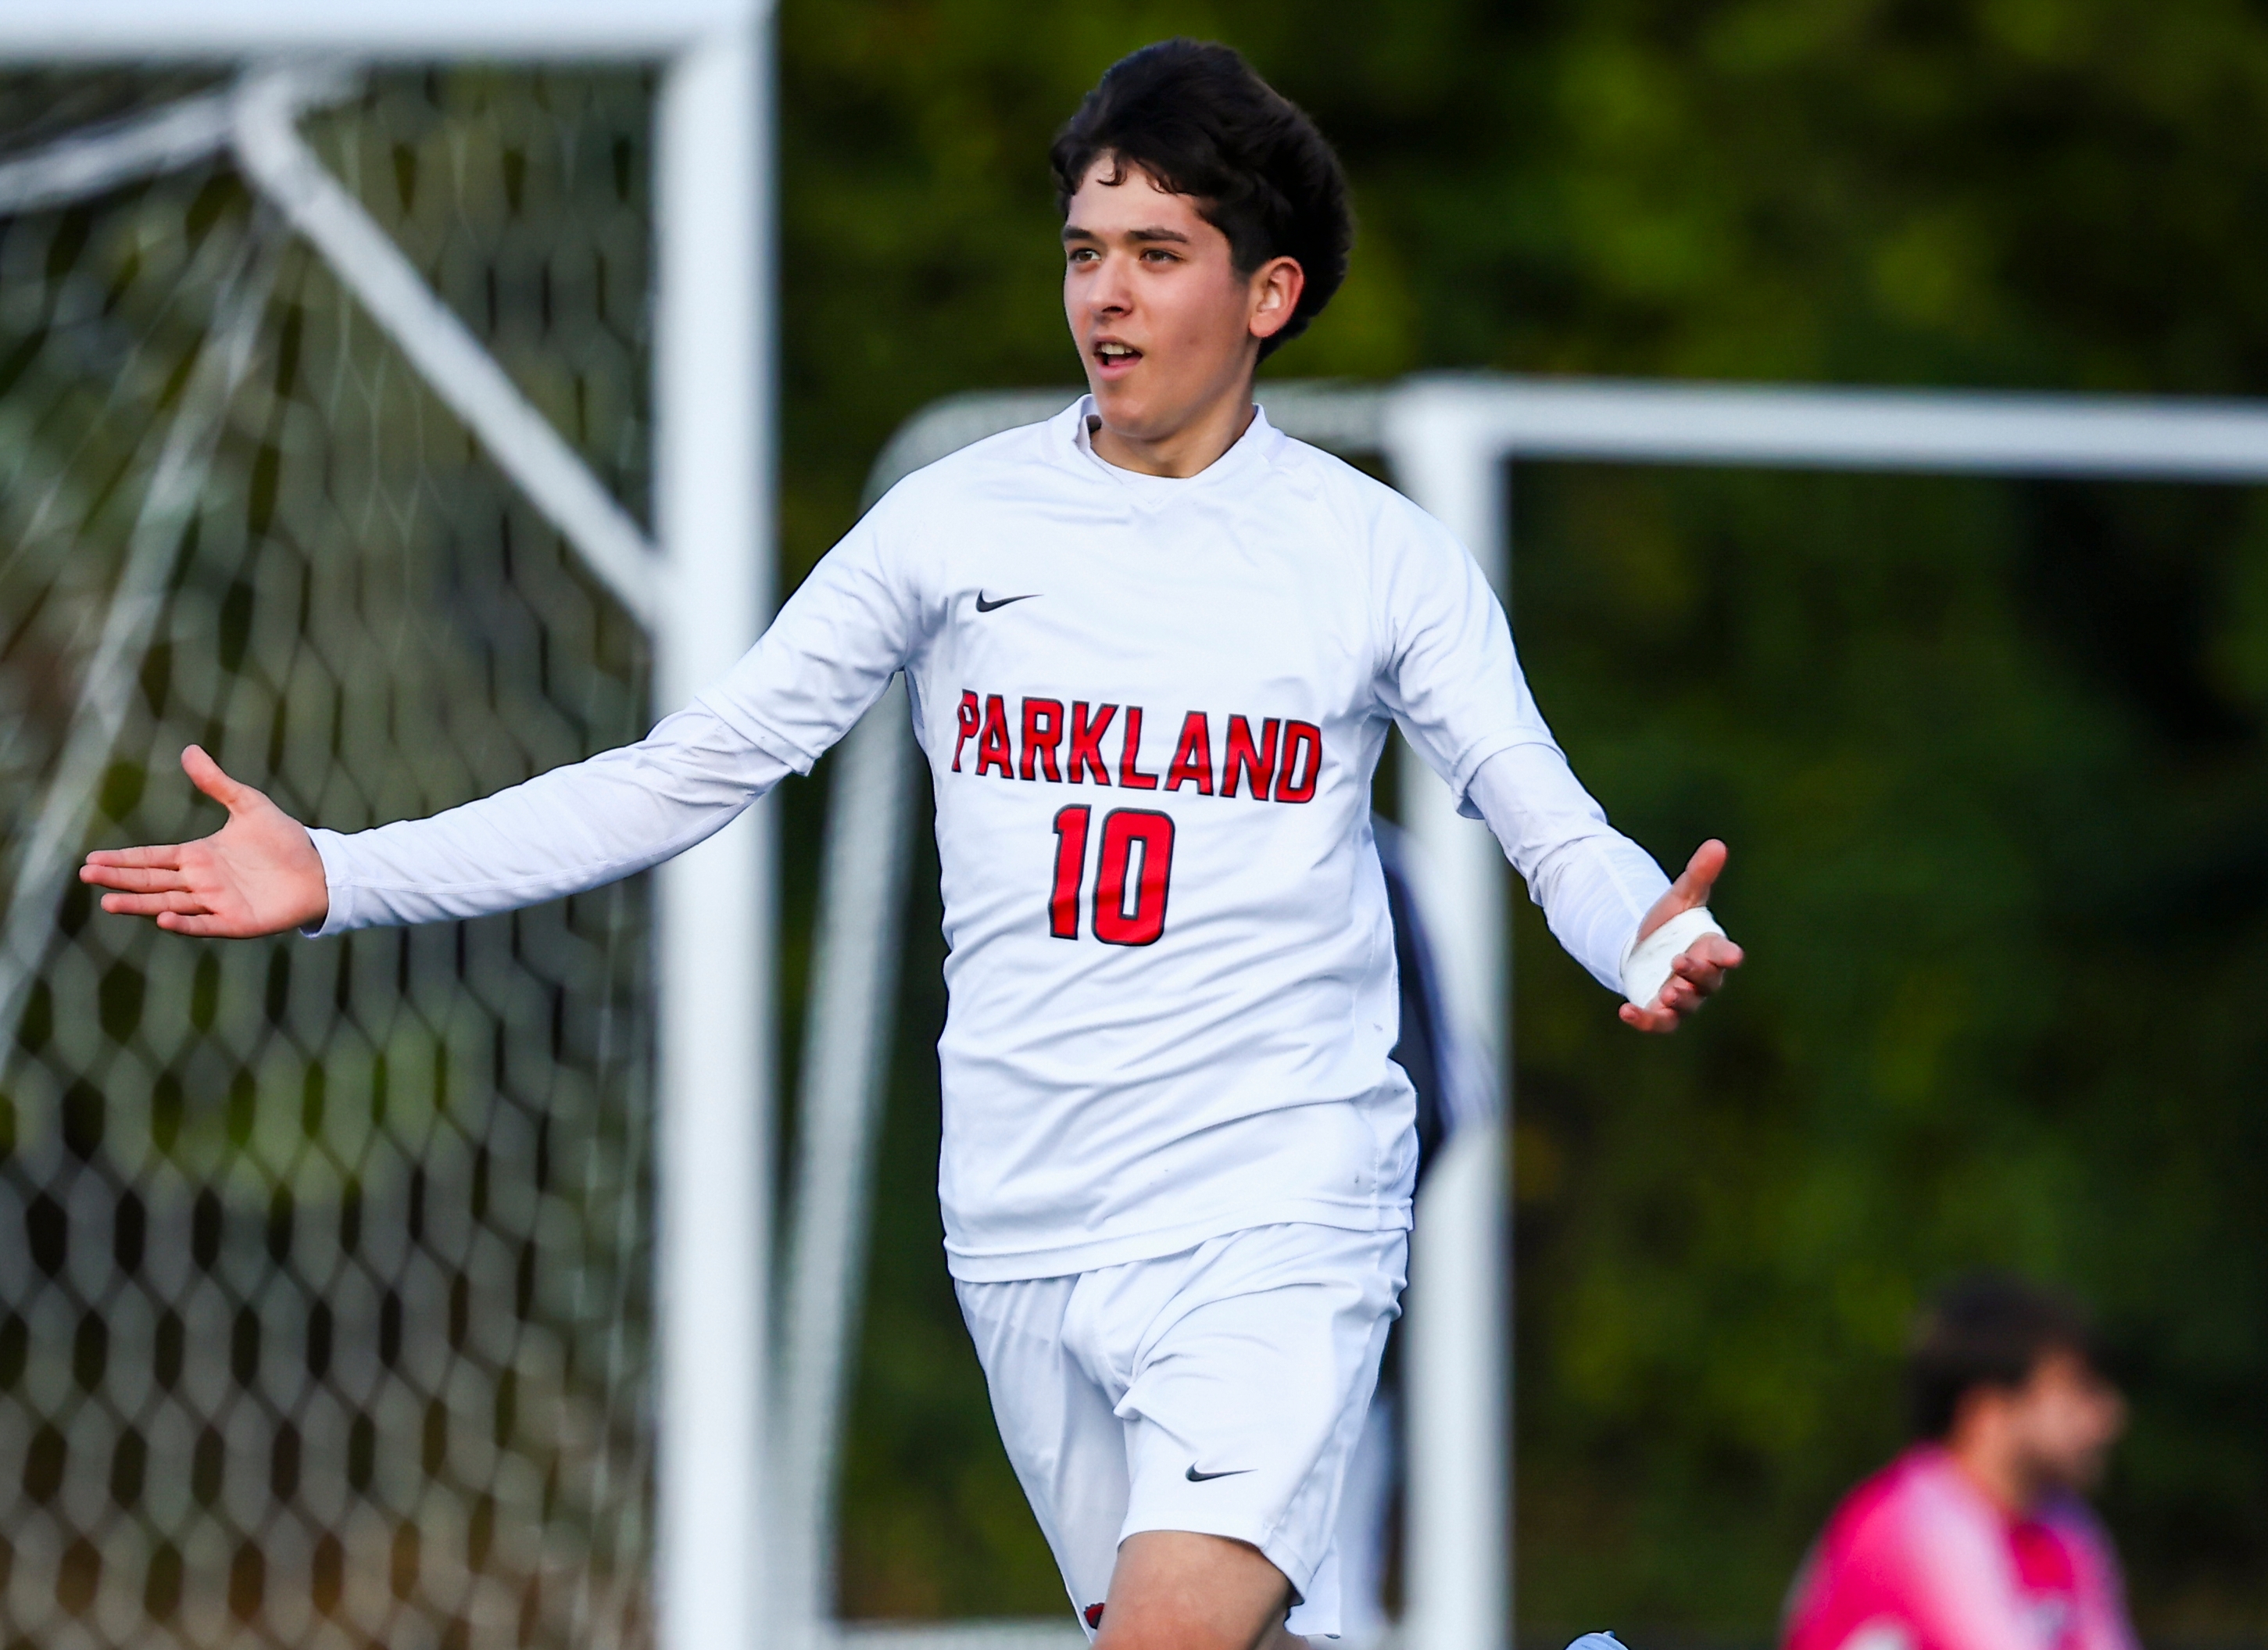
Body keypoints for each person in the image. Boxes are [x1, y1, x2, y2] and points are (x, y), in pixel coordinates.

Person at [74, 39, 1745, 1650]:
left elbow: (1544, 812)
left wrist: (1641, 934)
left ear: (1269, 292)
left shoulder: (1376, 560)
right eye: (1085, 250)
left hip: (1275, 1195)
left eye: (1157, 253)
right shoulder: (955, 522)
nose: (1104, 293)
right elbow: (687, 771)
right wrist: (346, 869)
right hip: (1021, 1213)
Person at [1781, 1275, 2136, 1650]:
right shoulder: (1916, 1523)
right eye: (2075, 1390)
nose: (2108, 1416)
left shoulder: (2065, 1525)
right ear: (1988, 1412)